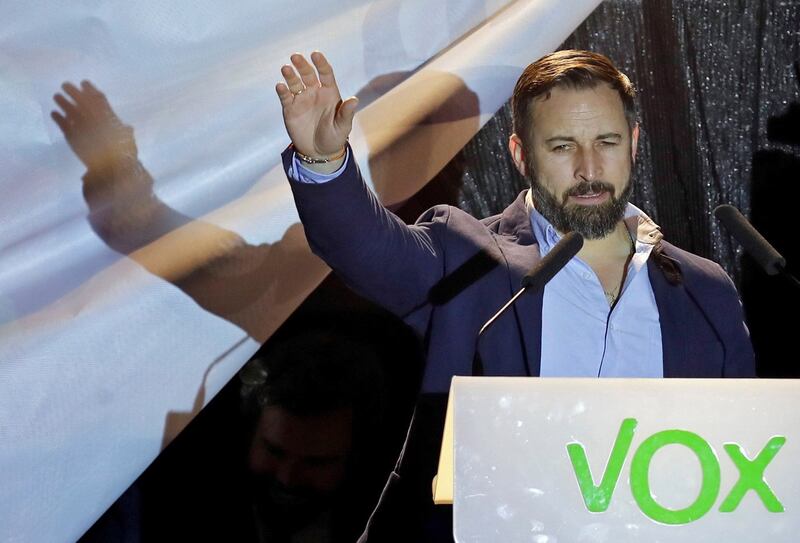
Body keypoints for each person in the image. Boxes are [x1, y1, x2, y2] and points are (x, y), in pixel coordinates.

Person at [275, 49, 756, 541]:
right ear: (521, 154)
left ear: (633, 143)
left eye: (606, 142)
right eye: (563, 147)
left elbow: (744, 470)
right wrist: (324, 162)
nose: (589, 168)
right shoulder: (470, 258)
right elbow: (365, 249)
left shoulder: (703, 292)